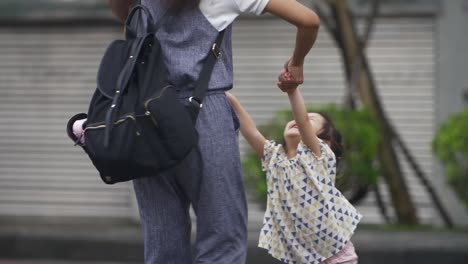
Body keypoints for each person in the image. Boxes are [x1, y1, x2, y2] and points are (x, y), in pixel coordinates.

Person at [74, 1, 320, 263]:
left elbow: (124, 16)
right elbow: (308, 21)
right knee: (222, 238)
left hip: (146, 117)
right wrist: (297, 63)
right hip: (205, 112)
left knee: (163, 243)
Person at [225, 70, 363, 264]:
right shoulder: (275, 159)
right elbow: (252, 132)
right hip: (305, 258)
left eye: (310, 120)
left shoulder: (317, 157)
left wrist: (292, 90)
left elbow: (303, 121)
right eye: (296, 118)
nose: (299, 120)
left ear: (326, 142)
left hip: (335, 256)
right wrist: (225, 97)